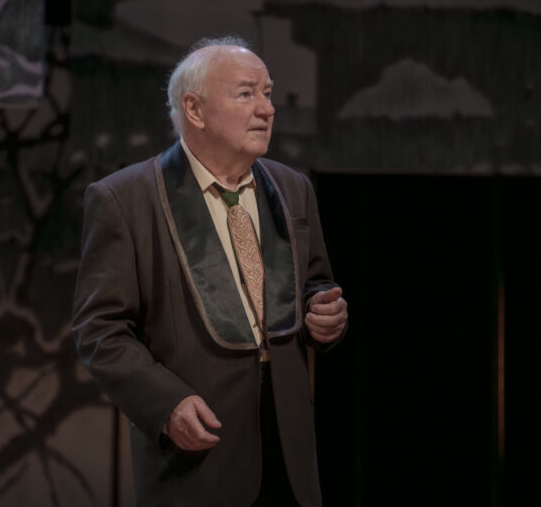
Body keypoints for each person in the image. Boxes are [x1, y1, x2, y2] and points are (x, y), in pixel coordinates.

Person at [72, 36, 348, 506]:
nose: (267, 109)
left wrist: (325, 316)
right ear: (195, 110)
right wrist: (165, 404)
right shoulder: (124, 198)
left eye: (268, 93)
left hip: (290, 453)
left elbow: (315, 286)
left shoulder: (292, 187)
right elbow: (100, 330)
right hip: (199, 456)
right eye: (246, 94)